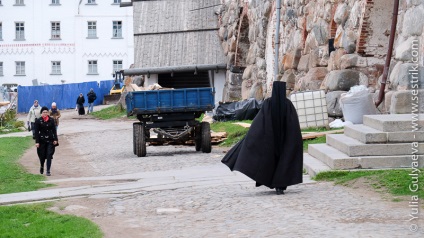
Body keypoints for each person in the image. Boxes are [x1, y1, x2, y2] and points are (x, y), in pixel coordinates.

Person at [221, 81, 303, 195]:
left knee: (270, 160)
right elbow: (293, 124)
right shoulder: (288, 105)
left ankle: (274, 183)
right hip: (285, 141)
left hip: (270, 139)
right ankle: (280, 186)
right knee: (283, 161)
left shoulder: (268, 103)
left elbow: (260, 121)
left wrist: (253, 134)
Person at [34, 106, 58, 176]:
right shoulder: (38, 121)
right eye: (43, 112)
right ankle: (42, 165)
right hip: (42, 141)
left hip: (50, 140)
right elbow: (36, 133)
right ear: (41, 113)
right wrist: (37, 142)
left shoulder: (51, 120)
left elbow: (54, 130)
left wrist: (55, 139)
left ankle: (48, 170)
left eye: (46, 112)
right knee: (42, 155)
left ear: (48, 113)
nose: (45, 113)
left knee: (49, 155)